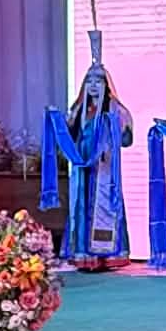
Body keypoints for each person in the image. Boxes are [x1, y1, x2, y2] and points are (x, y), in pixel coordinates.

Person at [54, 34, 133, 271]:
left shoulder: (116, 109)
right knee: (81, 206)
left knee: (104, 207)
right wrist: (57, 121)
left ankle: (106, 255)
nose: (94, 85)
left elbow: (127, 140)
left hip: (104, 168)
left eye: (98, 81)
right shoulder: (79, 109)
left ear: (106, 85)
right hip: (83, 167)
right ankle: (84, 255)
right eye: (89, 81)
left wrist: (117, 126)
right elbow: (68, 136)